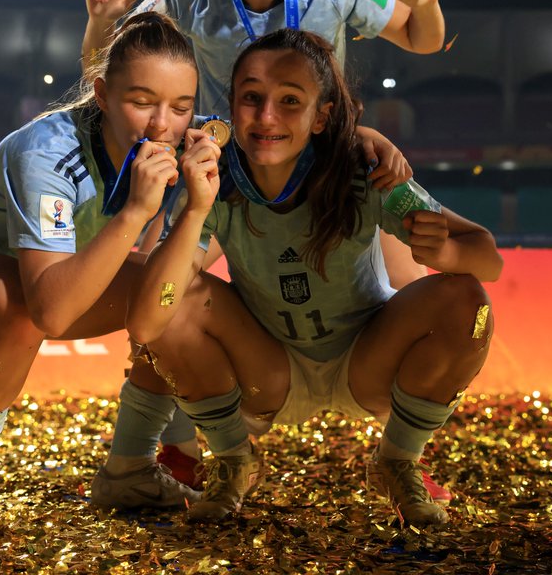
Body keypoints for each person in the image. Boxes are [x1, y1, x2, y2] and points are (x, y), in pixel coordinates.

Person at [81, 0, 453, 498]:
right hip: (227, 181)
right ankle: (144, 458)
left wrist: (423, 5)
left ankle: (401, 457)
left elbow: (421, 38)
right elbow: (107, 68)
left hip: (333, 171)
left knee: (409, 302)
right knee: (158, 294)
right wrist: (101, 27)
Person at [123, 28, 501, 525]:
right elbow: (148, 323)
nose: (266, 117)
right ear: (230, 107)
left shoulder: (363, 171)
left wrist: (448, 250)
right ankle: (234, 461)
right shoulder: (217, 183)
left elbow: (487, 259)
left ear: (321, 116)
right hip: (269, 371)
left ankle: (397, 459)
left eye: (290, 101)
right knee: (176, 297)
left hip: (366, 361)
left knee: (464, 300)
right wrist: (195, 210)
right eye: (252, 98)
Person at [0, 13, 201, 534]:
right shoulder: (49, 150)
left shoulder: (176, 148)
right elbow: (51, 308)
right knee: (27, 307)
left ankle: (131, 466)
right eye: (142, 102)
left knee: (173, 290)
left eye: (181, 107)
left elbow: (151, 273)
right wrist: (137, 211)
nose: (162, 124)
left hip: (20, 274)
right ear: (101, 95)